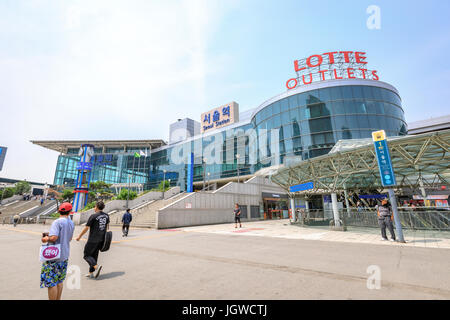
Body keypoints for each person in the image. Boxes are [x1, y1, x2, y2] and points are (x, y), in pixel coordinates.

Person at [40, 202, 75, 300]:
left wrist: (45, 238)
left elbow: (54, 237)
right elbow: (69, 238)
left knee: (51, 282)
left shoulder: (57, 222)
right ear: (69, 212)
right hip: (64, 255)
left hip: (53, 256)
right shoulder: (71, 223)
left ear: (59, 210)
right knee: (59, 281)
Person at [76, 201, 109, 279]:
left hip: (93, 240)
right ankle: (91, 273)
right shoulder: (106, 216)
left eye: (94, 206)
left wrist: (79, 237)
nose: (94, 208)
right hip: (101, 239)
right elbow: (107, 227)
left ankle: (96, 266)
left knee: (86, 255)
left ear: (97, 207)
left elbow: (86, 228)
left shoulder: (93, 216)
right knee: (94, 256)